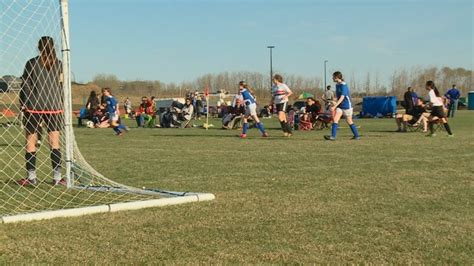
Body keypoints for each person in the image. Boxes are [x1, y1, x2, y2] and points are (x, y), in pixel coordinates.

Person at [17, 36, 65, 186]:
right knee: (54, 142)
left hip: (34, 107)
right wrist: (60, 102)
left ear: (38, 47)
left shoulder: (31, 63)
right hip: (54, 107)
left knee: (31, 142)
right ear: (53, 47)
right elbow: (61, 86)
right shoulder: (59, 64)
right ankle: (57, 178)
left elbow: (25, 85)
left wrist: (23, 103)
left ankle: (32, 177)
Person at [324, 71, 360, 141]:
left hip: (347, 106)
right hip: (340, 106)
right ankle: (333, 137)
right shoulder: (337, 85)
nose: (332, 78)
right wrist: (332, 101)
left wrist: (334, 106)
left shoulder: (344, 85)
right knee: (335, 119)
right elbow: (338, 97)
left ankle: (357, 136)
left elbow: (342, 97)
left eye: (333, 77)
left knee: (349, 121)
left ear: (337, 77)